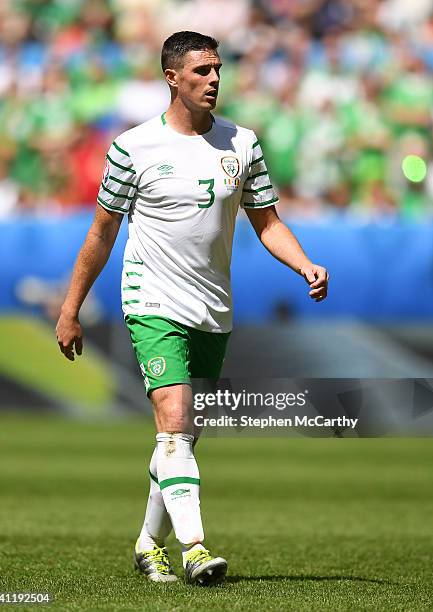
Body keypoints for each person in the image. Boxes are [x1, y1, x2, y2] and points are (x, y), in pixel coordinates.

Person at [56, 30, 329, 586]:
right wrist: (70, 308)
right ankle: (196, 549)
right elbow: (101, 234)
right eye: (202, 71)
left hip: (212, 306)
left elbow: (268, 222)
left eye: (217, 69)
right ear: (172, 77)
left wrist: (304, 264)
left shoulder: (242, 144)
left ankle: (147, 543)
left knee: (180, 438)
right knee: (176, 426)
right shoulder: (133, 147)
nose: (214, 80)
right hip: (151, 299)